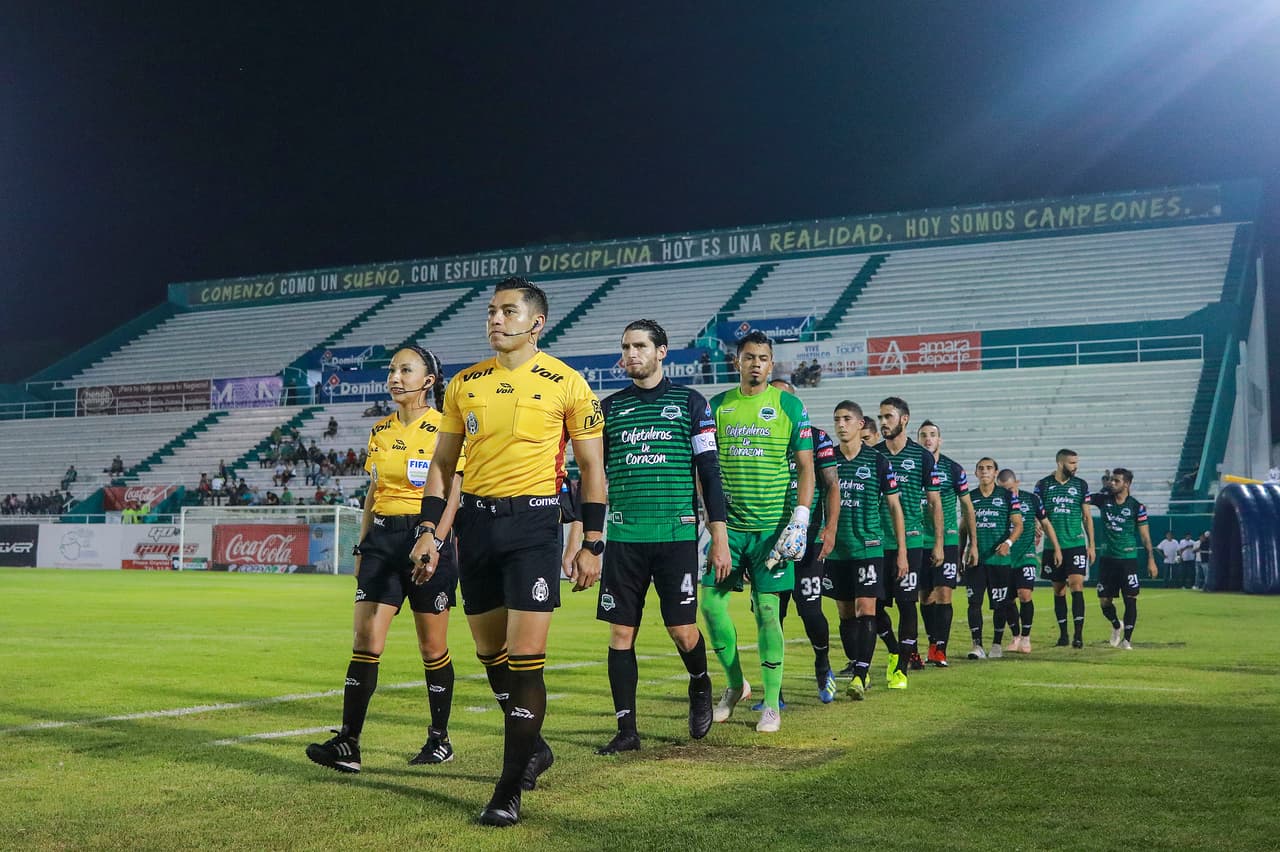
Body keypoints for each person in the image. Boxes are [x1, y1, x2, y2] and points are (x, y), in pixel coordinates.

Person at [408, 277, 606, 828]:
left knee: (526, 658)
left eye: (508, 311)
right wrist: (429, 530)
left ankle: (508, 787)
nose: (496, 319)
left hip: (534, 526)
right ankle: (534, 747)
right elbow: (442, 465)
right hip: (476, 525)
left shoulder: (569, 383)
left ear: (536, 322)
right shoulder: (464, 384)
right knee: (489, 652)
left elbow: (592, 468)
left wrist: (592, 541)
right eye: (492, 311)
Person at [306, 344, 464, 774]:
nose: (395, 377)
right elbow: (373, 492)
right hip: (382, 541)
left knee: (432, 647)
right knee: (365, 641)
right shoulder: (379, 430)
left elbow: (453, 493)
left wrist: (435, 541)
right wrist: (362, 546)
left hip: (425, 538)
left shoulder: (445, 429)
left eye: (405, 370)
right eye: (392, 370)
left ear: (428, 381)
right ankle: (349, 743)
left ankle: (439, 739)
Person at [592, 320, 730, 756]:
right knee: (620, 633)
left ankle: (700, 683)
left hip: (676, 536)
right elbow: (593, 477)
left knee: (682, 631)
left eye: (639, 346)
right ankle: (626, 730)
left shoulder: (691, 403)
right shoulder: (609, 408)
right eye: (625, 347)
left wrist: (719, 536)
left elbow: (710, 473)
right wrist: (587, 538)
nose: (631, 354)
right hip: (625, 538)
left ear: (661, 351)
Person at [703, 330, 813, 734]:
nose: (756, 364)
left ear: (771, 364)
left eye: (763, 358)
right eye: (749, 357)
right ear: (737, 361)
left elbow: (806, 466)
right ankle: (736, 685)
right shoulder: (717, 407)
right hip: (729, 528)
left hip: (772, 530)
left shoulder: (789, 405)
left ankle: (771, 704)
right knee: (710, 605)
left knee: (768, 611)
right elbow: (705, 469)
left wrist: (800, 518)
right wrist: (711, 521)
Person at [768, 378, 841, 706]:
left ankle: (823, 664)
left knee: (810, 610)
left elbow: (832, 485)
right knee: (772, 614)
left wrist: (830, 528)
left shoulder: (817, 437)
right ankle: (775, 689)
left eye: (785, 399)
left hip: (807, 539)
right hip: (767, 539)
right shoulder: (758, 436)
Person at [827, 400, 906, 699]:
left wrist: (901, 551)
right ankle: (859, 664)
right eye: (837, 419)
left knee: (866, 609)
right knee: (846, 613)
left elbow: (895, 507)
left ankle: (860, 675)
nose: (841, 425)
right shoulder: (828, 459)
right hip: (837, 550)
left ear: (861, 424)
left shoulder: (877, 461)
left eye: (847, 419)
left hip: (869, 546)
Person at [874, 397, 943, 680]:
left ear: (904, 419)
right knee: (872, 606)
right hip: (877, 541)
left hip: (912, 541)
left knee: (906, 602)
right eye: (881, 417)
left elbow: (935, 502)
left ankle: (902, 666)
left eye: (888, 416)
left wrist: (938, 543)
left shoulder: (922, 457)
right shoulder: (874, 455)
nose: (883, 422)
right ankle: (895, 649)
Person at [917, 421, 977, 668]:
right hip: (919, 540)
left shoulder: (953, 468)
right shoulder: (912, 466)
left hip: (948, 539)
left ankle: (940, 649)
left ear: (939, 440)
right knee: (925, 596)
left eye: (932, 435)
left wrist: (973, 544)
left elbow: (967, 507)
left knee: (944, 592)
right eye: (923, 435)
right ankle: (933, 642)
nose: (928, 439)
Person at [962, 458, 1023, 659]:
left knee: (1000, 603)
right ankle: (977, 645)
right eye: (981, 468)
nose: (985, 471)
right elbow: (963, 528)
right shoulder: (969, 496)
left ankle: (996, 644)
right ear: (976, 473)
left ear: (996, 472)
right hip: (975, 560)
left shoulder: (1007, 496)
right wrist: (960, 554)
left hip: (999, 560)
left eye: (989, 468)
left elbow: (1018, 524)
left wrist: (1008, 543)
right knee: (974, 603)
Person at [1090, 469, 1157, 649]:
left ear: (1126, 484)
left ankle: (1127, 640)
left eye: (1116, 481)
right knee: (1105, 601)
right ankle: (1116, 624)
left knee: (1130, 598)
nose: (1112, 483)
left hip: (1128, 560)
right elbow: (1082, 497)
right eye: (1111, 480)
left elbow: (1145, 536)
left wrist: (1151, 560)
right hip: (1107, 560)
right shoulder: (1103, 500)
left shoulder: (1136, 507)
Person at [1035, 449, 1095, 648]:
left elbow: (1087, 517)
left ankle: (1078, 635)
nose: (1075, 466)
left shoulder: (1080, 485)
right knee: (1059, 589)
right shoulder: (1043, 485)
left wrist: (1091, 545)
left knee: (1077, 584)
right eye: (1072, 463)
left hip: (1075, 544)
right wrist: (1036, 525)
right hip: (1053, 546)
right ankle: (1063, 635)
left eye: (1076, 462)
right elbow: (1037, 513)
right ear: (1060, 463)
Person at [997, 469, 1058, 654]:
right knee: (1006, 599)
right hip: (1003, 557)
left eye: (1009, 489)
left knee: (1024, 594)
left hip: (1026, 555)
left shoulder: (1031, 499)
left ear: (1017, 483)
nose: (1006, 493)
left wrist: (1056, 548)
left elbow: (1045, 523)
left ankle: (1025, 637)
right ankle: (1015, 635)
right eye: (1002, 490)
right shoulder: (996, 501)